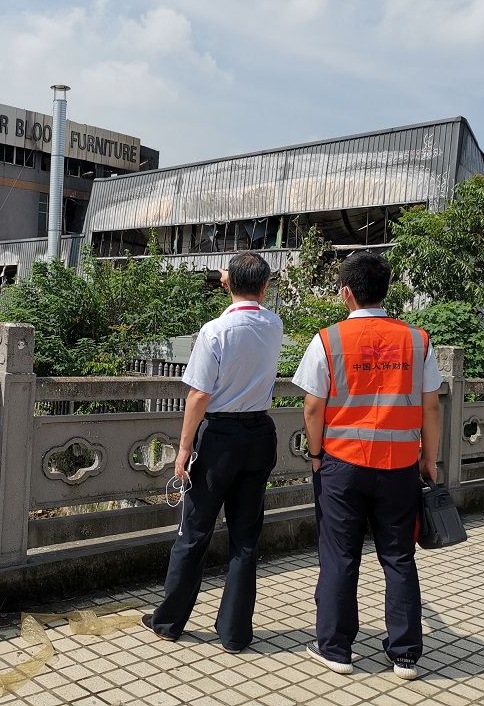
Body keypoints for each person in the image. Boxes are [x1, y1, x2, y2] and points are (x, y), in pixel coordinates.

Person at [292, 252, 441, 680]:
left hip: (342, 465)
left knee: (339, 556)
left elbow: (313, 407)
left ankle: (336, 650)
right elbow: (431, 407)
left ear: (346, 293)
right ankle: (406, 655)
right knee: (399, 557)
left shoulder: (328, 339)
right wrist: (428, 459)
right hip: (400, 468)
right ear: (385, 291)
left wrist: (317, 455)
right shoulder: (418, 341)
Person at [143, 251, 283, 653]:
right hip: (260, 433)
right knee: (245, 537)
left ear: (227, 284)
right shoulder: (274, 324)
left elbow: (199, 393)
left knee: (195, 531)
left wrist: (184, 448)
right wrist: (234, 281)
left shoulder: (215, 331)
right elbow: (250, 303)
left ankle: (169, 621)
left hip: (219, 437)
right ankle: (236, 633)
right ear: (265, 287)